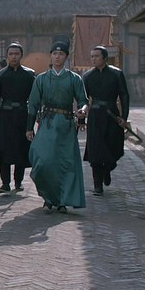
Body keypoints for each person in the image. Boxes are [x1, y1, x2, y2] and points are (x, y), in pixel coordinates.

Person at [26, 41, 89, 214]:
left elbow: (83, 101)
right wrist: (29, 128)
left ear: (66, 57)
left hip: (66, 124)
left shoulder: (74, 78)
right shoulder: (41, 79)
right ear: (51, 56)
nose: (57, 57)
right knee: (42, 160)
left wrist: (83, 112)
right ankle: (48, 196)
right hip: (47, 122)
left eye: (61, 54)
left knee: (65, 164)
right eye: (54, 53)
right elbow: (33, 104)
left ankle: (62, 200)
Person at [82, 45, 130, 196]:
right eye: (92, 56)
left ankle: (107, 169)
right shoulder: (87, 76)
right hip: (95, 116)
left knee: (114, 147)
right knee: (95, 151)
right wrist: (82, 116)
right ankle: (97, 185)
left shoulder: (116, 74)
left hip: (112, 115)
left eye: (96, 56)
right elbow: (83, 99)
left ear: (104, 57)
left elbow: (124, 95)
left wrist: (124, 117)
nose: (93, 59)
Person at [0, 42, 36, 194]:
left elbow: (34, 98)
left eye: (16, 54)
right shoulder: (0, 75)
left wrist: (33, 118)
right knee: (3, 149)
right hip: (4, 116)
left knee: (20, 149)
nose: (14, 57)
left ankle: (18, 182)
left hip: (22, 115)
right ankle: (5, 183)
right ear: (7, 56)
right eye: (11, 54)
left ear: (21, 55)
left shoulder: (29, 74)